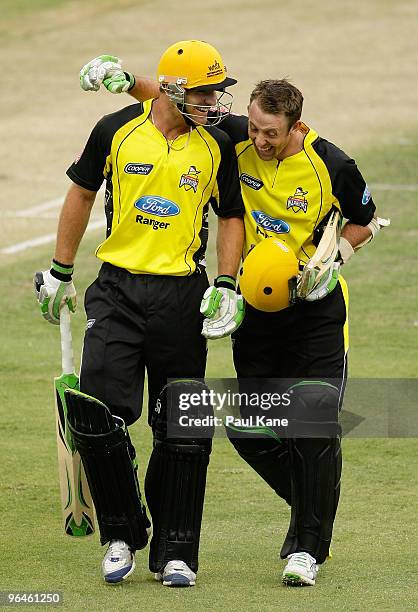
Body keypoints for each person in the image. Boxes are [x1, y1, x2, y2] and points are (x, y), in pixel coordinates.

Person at [80, 60, 388, 586]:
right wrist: (127, 79)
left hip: (315, 313)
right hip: (255, 315)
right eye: (255, 128)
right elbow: (181, 100)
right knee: (249, 430)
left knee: (311, 428)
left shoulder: (332, 164)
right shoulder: (236, 136)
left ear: (296, 127)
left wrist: (332, 261)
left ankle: (307, 548)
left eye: (272, 133)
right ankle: (314, 495)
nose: (261, 140)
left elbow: (363, 222)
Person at [34, 40, 245, 587]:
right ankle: (121, 536)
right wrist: (60, 269)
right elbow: (80, 194)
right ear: (175, 89)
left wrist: (226, 283)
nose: (213, 100)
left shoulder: (218, 143)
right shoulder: (115, 130)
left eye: (217, 91)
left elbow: (230, 216)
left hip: (181, 295)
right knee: (97, 417)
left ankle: (176, 552)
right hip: (118, 291)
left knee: (184, 429)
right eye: (203, 91)